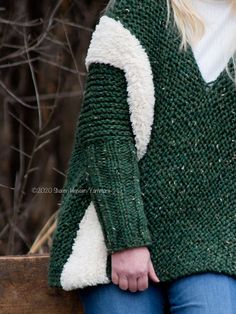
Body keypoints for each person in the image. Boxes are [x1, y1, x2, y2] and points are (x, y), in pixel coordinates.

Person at [47, 0, 236, 313]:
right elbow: (106, 136)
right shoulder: (138, 10)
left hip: (213, 241)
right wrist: (126, 238)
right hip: (116, 234)